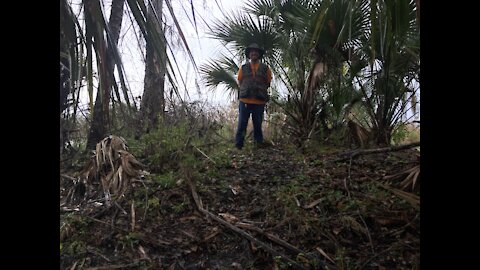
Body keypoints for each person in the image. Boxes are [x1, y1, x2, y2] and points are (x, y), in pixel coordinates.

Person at [235, 43, 272, 149]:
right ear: (249, 54)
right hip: (245, 101)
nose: (254, 53)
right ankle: (239, 146)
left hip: (259, 102)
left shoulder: (266, 68)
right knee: (242, 124)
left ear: (259, 54)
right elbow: (240, 81)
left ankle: (258, 145)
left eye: (256, 51)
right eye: (252, 52)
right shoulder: (243, 68)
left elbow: (268, 82)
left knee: (257, 125)